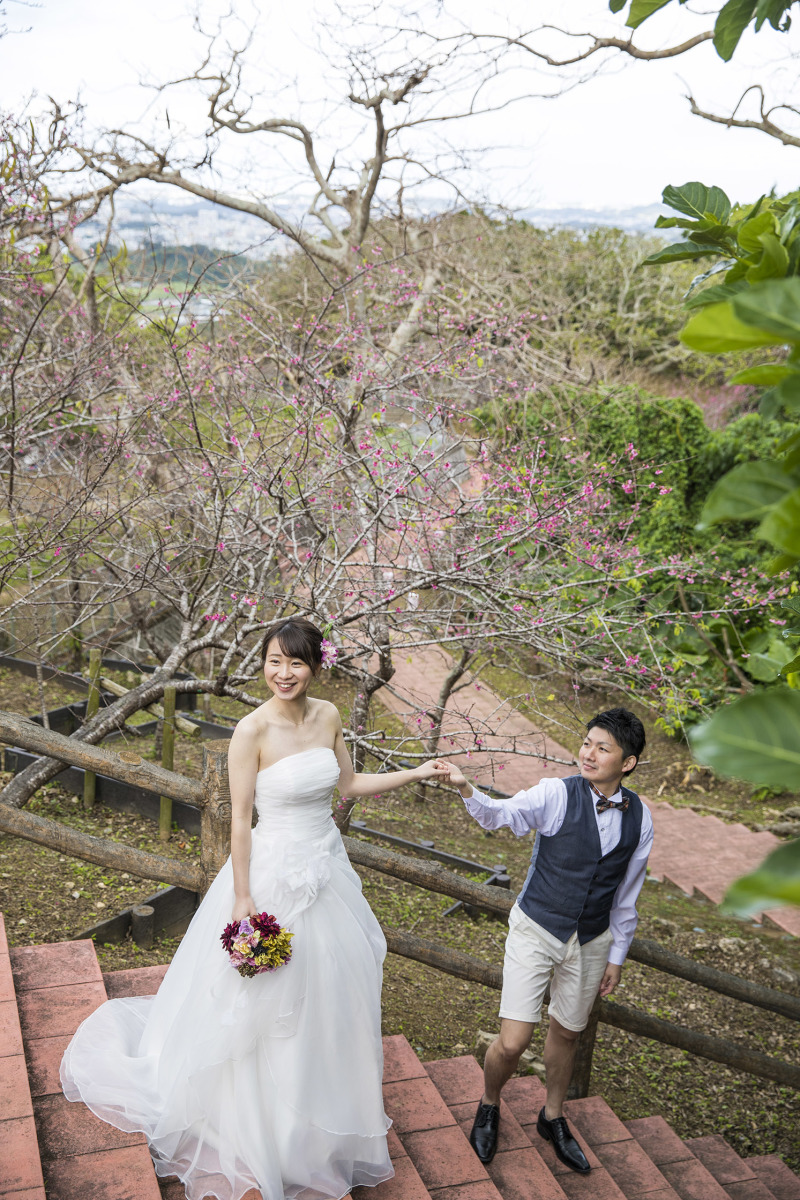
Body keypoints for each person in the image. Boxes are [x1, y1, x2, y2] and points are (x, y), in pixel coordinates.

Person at [61, 616, 450, 1200]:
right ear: (262, 662)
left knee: (327, 996)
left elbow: (346, 785)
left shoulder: (328, 717)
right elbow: (240, 820)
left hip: (327, 871)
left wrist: (418, 770)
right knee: (262, 1003)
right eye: (273, 660)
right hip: (269, 876)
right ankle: (257, 1124)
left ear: (315, 666)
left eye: (295, 662)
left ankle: (312, 1126)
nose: (283, 673)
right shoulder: (252, 730)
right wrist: (244, 897)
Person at [442, 707, 652, 1175]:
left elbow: (626, 897)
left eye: (603, 747)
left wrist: (616, 955)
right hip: (537, 926)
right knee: (514, 1040)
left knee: (568, 1032)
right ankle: (489, 1102)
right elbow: (501, 815)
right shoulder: (556, 793)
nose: (588, 753)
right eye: (586, 742)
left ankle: (552, 1115)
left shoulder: (642, 818)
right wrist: (464, 787)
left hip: (593, 939)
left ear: (628, 762)